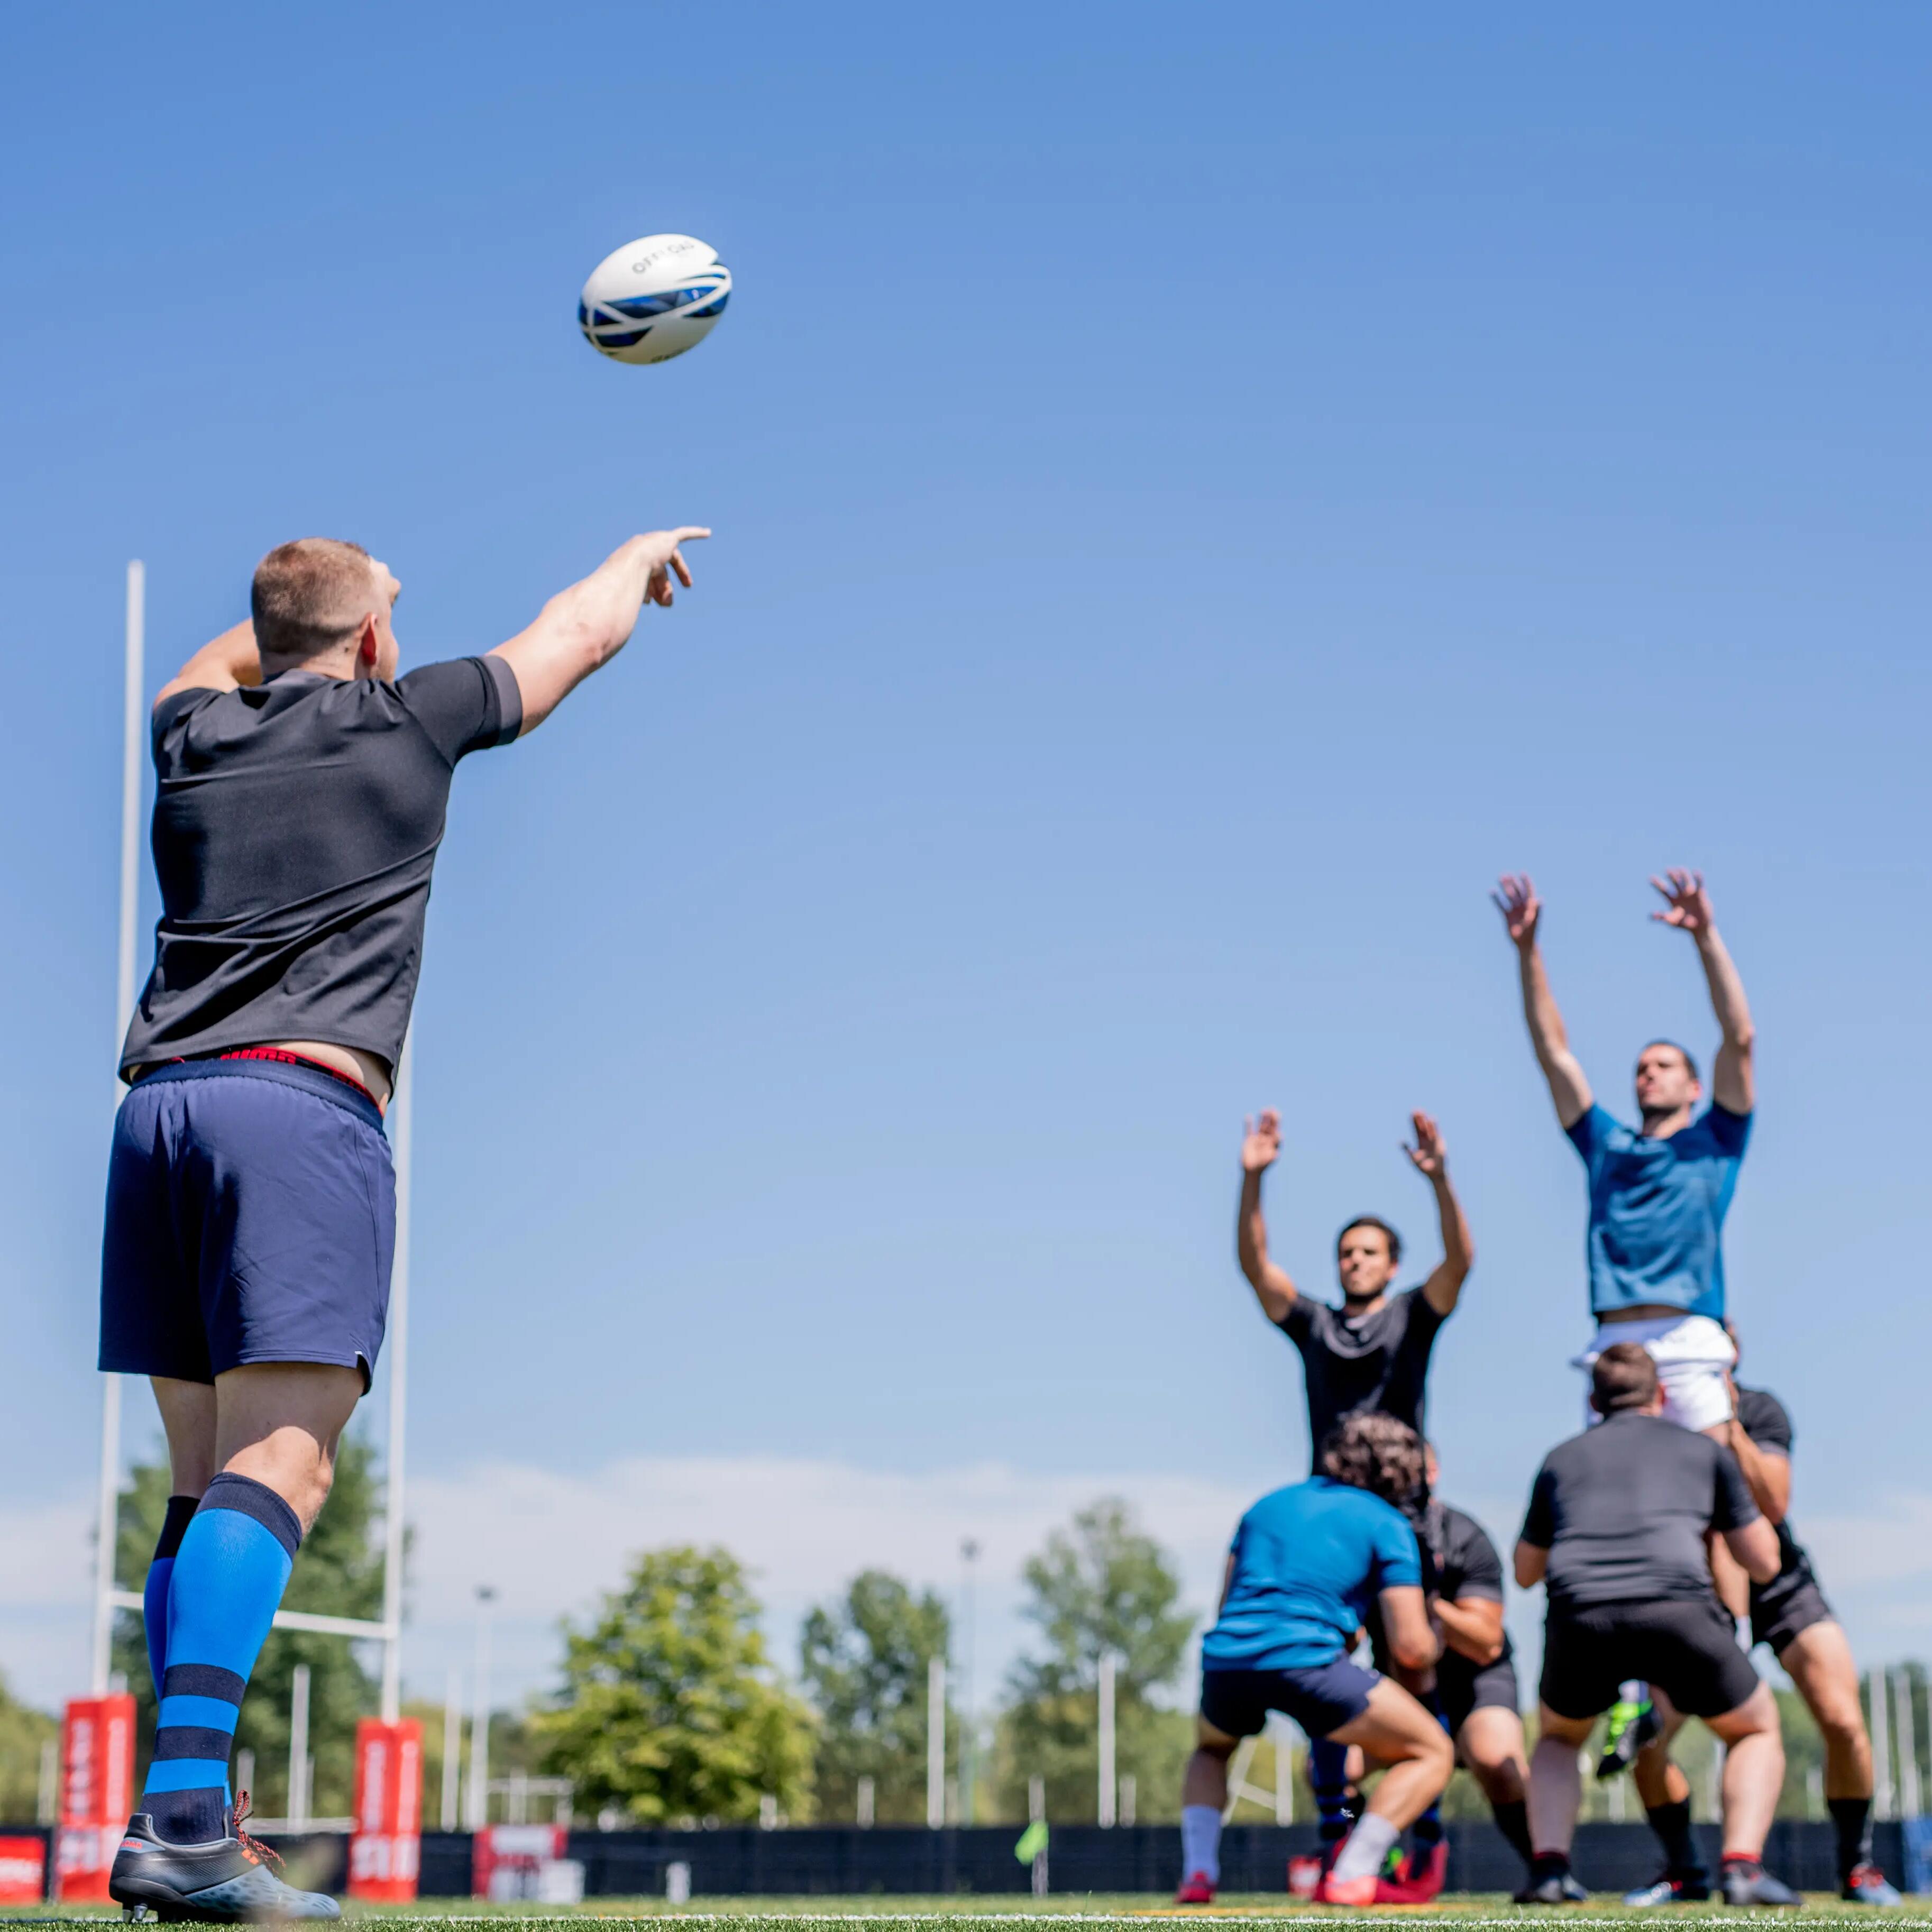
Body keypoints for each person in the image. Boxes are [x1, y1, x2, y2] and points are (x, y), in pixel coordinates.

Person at [103, 528, 710, 1924]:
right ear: (376, 640)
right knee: (285, 1470)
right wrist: (634, 555)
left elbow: (213, 659)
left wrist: (297, 617)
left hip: (157, 1118)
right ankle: (188, 1820)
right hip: (296, 1110)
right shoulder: (408, 712)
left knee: (198, 1483)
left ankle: (182, 1813)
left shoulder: (189, 730)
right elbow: (578, 634)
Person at [1625, 1332, 1903, 1909]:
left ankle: (1855, 1867)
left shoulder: (1758, 1408)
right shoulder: (1648, 1420)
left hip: (1778, 1582)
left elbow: (1773, 1504)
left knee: (1843, 1720)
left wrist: (1727, 1427)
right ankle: (1682, 1871)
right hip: (1692, 1593)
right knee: (1645, 1740)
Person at [1512, 1343, 1795, 1908]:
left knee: (1557, 1737)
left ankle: (1548, 1871)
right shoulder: (1700, 1451)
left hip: (1580, 1613)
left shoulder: (1559, 1457)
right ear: (1661, 1396)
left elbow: (1524, 1571)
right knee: (1754, 1728)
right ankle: (1739, 1868)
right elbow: (1762, 1560)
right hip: (1677, 1609)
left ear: (1593, 1400)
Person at [1492, 869, 1754, 1437]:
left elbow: (1738, 1038)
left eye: (1663, 1065)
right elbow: (1553, 1051)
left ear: (1694, 1087)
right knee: (1610, 1501)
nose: (1647, 1074)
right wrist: (1527, 949)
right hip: (1613, 1343)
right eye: (1640, 1067)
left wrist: (1705, 936)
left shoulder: (1714, 1143)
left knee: (1713, 1491)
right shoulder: (1605, 1146)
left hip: (1688, 1334)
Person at [1175, 1413, 1454, 1908]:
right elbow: (1411, 1647)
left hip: (1227, 1660)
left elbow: (1227, 1605)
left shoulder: (1266, 1505)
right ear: (1398, 1473)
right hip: (1308, 1662)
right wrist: (1436, 1639)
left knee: (1212, 1750)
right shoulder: (1386, 1522)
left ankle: (1199, 1872)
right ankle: (1352, 1873)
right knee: (1432, 1750)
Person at [1236, 1107, 1473, 1463]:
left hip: (1400, 1502)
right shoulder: (1314, 1324)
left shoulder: (1411, 1318)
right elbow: (1256, 1269)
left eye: (1369, 1252)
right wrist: (1252, 1178)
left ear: (1393, 1266)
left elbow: (1458, 1264)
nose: (1356, 1260)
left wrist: (1440, 1180)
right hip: (1331, 1495)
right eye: (1347, 1253)